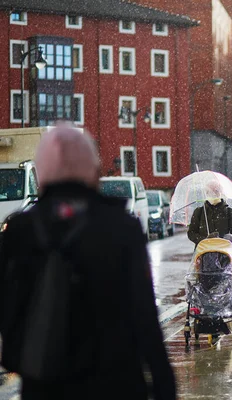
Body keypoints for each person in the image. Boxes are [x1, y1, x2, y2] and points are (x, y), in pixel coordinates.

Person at [0, 123, 176, 400]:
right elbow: (144, 316)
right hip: (116, 382)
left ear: (42, 171)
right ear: (92, 169)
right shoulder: (121, 227)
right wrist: (164, 383)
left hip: (45, 385)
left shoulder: (20, 231)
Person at [187, 181, 232, 253]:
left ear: (221, 192)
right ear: (206, 193)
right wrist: (205, 240)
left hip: (224, 254)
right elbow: (191, 233)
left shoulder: (229, 212)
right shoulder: (199, 212)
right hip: (203, 253)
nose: (213, 194)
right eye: (209, 191)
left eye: (216, 191)